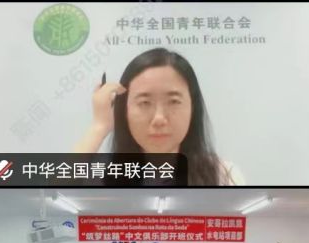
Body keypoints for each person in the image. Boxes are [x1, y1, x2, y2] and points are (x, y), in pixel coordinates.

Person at [74, 49, 241, 186]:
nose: (159, 119)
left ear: (192, 107)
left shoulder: (222, 175)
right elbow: (58, 196)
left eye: (173, 101)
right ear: (124, 110)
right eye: (144, 103)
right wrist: (99, 127)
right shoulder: (103, 176)